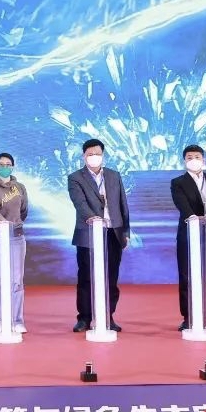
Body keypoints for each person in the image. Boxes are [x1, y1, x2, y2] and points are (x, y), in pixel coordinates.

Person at [67, 138, 129, 333]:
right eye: (90, 154)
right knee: (86, 276)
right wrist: (93, 218)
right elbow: (79, 203)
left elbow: (122, 204)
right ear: (84, 156)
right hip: (88, 232)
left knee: (111, 276)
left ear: (103, 155)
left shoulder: (114, 175)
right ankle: (84, 318)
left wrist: (125, 231)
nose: (94, 157)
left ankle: (107, 316)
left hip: (113, 232)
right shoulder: (75, 178)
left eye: (97, 154)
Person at [171, 144, 206, 333]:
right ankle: (188, 317)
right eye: (189, 157)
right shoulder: (178, 182)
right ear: (184, 161)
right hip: (188, 234)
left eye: (197, 157)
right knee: (186, 276)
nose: (193, 160)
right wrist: (193, 218)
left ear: (204, 159)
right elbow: (182, 205)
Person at [0, 152, 29, 333]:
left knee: (16, 281)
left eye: (8, 164)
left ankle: (17, 320)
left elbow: (24, 210)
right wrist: (3, 223)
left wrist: (14, 224)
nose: (4, 167)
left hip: (16, 238)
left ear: (12, 167)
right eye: (1, 164)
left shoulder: (20, 187)